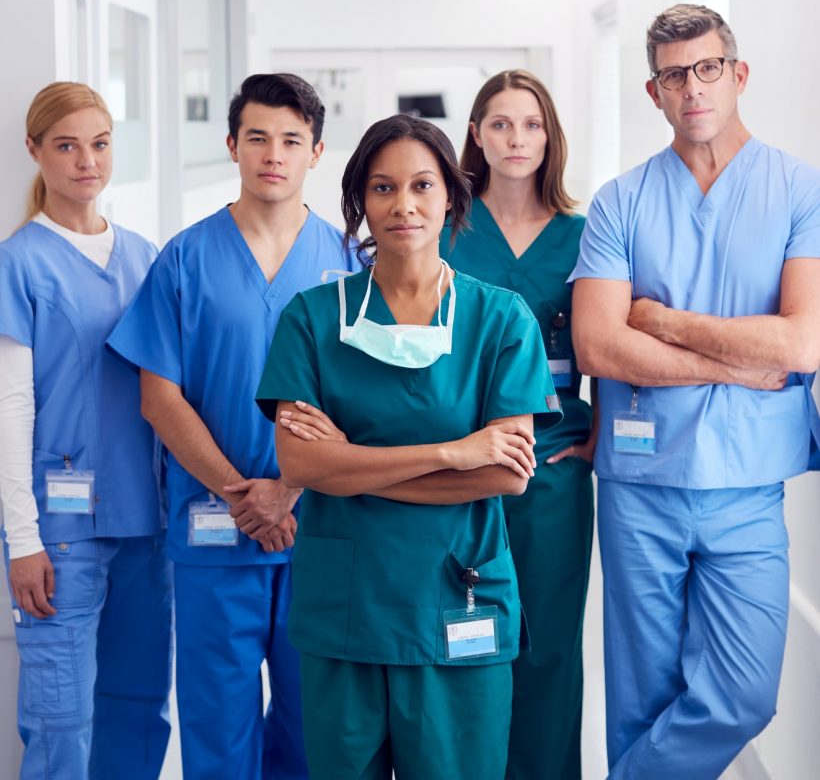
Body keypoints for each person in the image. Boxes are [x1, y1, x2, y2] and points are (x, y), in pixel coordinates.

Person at [255, 113, 563, 780]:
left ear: (452, 193)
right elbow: (301, 463)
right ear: (360, 201)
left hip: (458, 601)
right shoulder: (312, 318)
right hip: (349, 612)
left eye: (423, 185)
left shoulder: (501, 318)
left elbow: (507, 476)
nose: (404, 205)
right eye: (383, 187)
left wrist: (351, 465)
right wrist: (452, 453)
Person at [569, 4, 820, 780]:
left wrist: (667, 322)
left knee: (744, 695)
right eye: (675, 75)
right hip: (639, 486)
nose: (693, 88)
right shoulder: (621, 201)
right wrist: (738, 361)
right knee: (641, 697)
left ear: (737, 75)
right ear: (654, 93)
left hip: (748, 487)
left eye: (708, 68)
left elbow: (801, 342)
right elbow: (600, 343)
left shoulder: (797, 189)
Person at [107, 74, 358, 780]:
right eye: (257, 139)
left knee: (319, 728)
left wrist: (290, 491)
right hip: (214, 530)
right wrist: (240, 493)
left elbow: (367, 404)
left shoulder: (348, 264)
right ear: (231, 147)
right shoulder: (185, 258)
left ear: (315, 151)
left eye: (290, 140)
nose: (273, 154)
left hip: (320, 529)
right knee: (218, 729)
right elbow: (159, 397)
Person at [0, 82, 172, 780]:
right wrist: (23, 537)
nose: (85, 161)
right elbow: (11, 408)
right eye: (66, 145)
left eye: (99, 144)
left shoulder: (145, 256)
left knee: (137, 705)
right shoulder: (20, 261)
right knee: (62, 719)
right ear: (35, 151)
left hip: (147, 520)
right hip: (60, 533)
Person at [442, 69, 595, 780]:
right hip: (459, 472)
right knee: (465, 642)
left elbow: (608, 342)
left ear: (549, 135)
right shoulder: (442, 229)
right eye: (500, 123)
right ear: (475, 134)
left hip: (556, 470)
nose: (516, 139)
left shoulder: (582, 236)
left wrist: (601, 428)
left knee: (550, 649)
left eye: (531, 124)